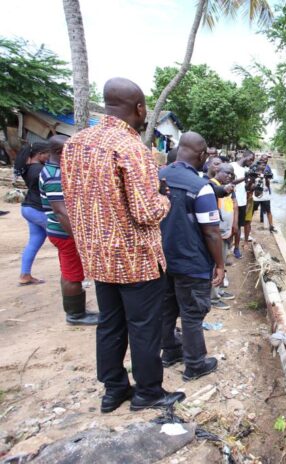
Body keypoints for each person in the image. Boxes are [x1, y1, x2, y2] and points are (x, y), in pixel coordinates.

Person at [62, 77, 184, 413]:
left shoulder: (75, 145)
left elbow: (71, 200)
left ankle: (114, 390)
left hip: (99, 259)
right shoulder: (133, 149)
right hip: (136, 260)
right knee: (144, 327)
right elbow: (146, 212)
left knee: (110, 323)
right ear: (140, 108)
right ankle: (148, 392)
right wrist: (165, 199)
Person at [158, 131, 224, 381]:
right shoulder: (201, 187)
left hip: (162, 260)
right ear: (202, 154)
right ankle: (195, 364)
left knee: (166, 309)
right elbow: (212, 233)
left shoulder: (157, 176)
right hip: (191, 263)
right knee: (192, 314)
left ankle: (171, 352)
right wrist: (219, 265)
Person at [39, 135, 98, 325]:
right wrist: (80, 238)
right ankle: (75, 315)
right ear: (58, 152)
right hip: (65, 232)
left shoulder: (55, 170)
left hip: (61, 231)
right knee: (73, 273)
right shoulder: (55, 175)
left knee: (68, 270)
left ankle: (75, 311)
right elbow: (61, 212)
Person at [17, 142, 51, 285]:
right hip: (38, 209)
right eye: (47, 154)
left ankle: (25, 275)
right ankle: (74, 275)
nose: (49, 157)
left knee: (34, 242)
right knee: (66, 240)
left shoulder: (28, 168)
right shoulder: (40, 170)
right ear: (39, 154)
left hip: (28, 208)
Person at [209, 163, 237, 309]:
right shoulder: (212, 186)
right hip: (217, 235)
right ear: (217, 170)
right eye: (227, 173)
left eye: (231, 174)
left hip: (225, 234)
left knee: (222, 264)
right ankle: (212, 297)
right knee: (215, 265)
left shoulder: (226, 188)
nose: (229, 176)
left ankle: (218, 291)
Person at [230, 151, 255, 259]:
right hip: (230, 200)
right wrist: (245, 178)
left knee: (238, 226)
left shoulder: (246, 170)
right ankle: (226, 249)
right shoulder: (231, 166)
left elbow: (246, 188)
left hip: (242, 201)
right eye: (251, 159)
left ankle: (236, 248)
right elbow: (229, 182)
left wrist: (250, 181)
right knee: (228, 226)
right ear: (246, 156)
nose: (252, 162)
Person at [252, 154, 276, 233]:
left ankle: (271, 226)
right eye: (262, 163)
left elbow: (269, 183)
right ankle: (247, 225)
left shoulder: (268, 169)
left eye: (265, 163)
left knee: (268, 211)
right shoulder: (254, 169)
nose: (264, 164)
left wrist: (266, 179)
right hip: (256, 196)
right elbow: (251, 183)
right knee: (252, 210)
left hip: (265, 195)